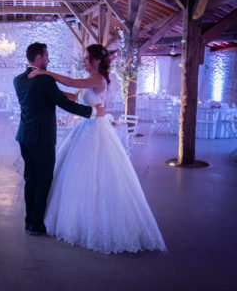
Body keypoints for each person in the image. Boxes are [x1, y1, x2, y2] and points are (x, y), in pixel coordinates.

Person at [28, 44, 167, 253]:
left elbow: (73, 82)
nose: (83, 61)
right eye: (83, 58)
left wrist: (45, 73)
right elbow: (75, 95)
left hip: (96, 129)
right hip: (85, 126)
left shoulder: (98, 79)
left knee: (97, 174)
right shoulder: (88, 81)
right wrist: (53, 94)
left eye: (86, 58)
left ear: (96, 60)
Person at [13, 42, 105, 236]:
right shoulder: (44, 80)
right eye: (46, 56)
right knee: (44, 179)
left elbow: (61, 97)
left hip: (24, 136)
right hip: (42, 138)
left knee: (30, 179)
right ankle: (36, 224)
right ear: (38, 58)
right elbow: (64, 103)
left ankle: (29, 220)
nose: (48, 59)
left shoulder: (19, 80)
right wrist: (92, 111)